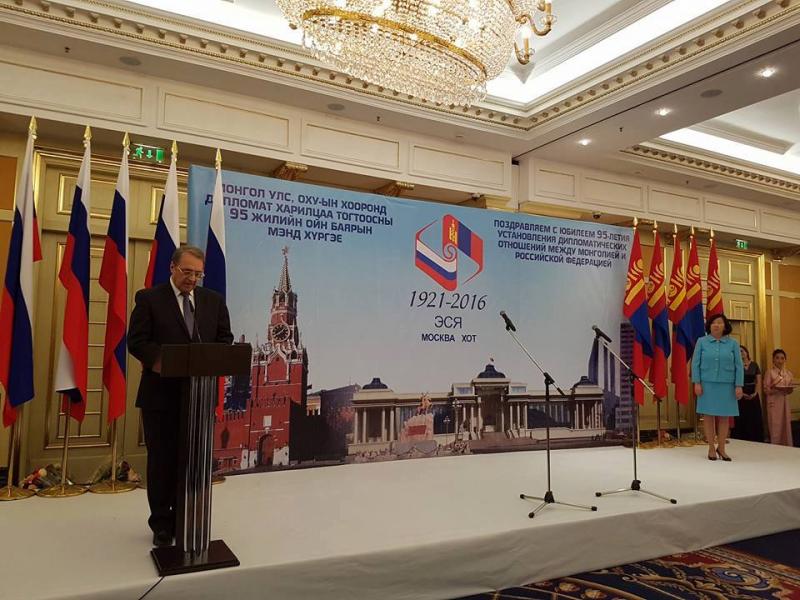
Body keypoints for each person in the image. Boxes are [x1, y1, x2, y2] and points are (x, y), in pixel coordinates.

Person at [128, 246, 233, 547]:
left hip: (199, 397)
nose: (192, 279)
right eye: (187, 272)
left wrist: (211, 358)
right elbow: (136, 341)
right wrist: (163, 361)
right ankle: (162, 523)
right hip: (160, 397)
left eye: (198, 274)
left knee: (192, 461)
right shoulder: (149, 299)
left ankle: (187, 517)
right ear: (172, 267)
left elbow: (224, 339)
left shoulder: (213, 301)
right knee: (162, 461)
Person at [691, 313, 743, 461]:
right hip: (706, 384)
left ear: (725, 326)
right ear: (709, 326)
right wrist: (697, 382)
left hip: (727, 384)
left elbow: (739, 365)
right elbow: (695, 364)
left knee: (724, 417)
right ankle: (711, 448)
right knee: (708, 416)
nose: (716, 325)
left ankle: (722, 448)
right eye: (714, 323)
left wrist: (738, 385)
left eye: (720, 323)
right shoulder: (702, 341)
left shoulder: (733, 343)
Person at [732, 345, 764, 443]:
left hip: (753, 393)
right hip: (740, 393)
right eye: (738, 351)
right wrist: (742, 393)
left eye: (742, 351)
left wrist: (755, 393)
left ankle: (755, 439)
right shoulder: (735, 365)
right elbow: (733, 381)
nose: (741, 353)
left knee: (754, 417)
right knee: (741, 417)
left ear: (747, 352)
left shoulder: (754, 365)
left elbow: (758, 380)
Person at [763, 349, 794, 446]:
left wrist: (789, 390)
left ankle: (787, 447)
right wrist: (776, 389)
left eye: (782, 358)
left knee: (786, 426)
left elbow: (790, 389)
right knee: (775, 426)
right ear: (773, 359)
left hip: (784, 402)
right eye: (777, 358)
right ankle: (775, 448)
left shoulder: (788, 373)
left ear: (785, 360)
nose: (780, 360)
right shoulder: (769, 372)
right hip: (774, 402)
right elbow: (766, 390)